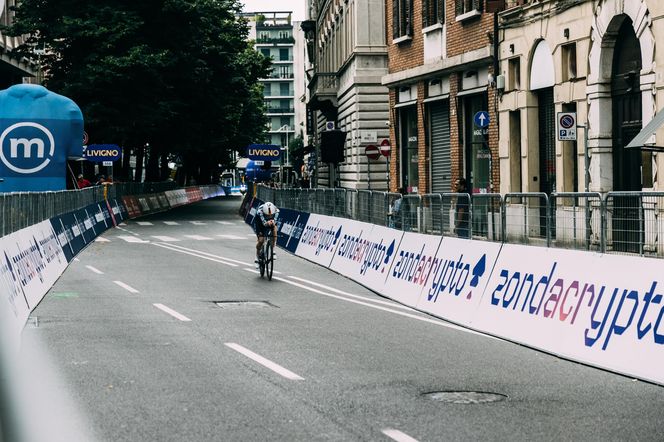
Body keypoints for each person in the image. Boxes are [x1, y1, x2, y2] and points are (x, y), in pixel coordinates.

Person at [253, 201, 280, 269]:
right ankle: (257, 257)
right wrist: (267, 223)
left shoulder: (276, 211)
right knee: (261, 240)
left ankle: (273, 250)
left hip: (270, 222)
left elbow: (275, 221)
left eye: (271, 215)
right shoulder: (260, 212)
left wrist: (272, 222)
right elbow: (264, 223)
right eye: (268, 215)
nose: (270, 216)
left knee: (274, 230)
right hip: (260, 223)